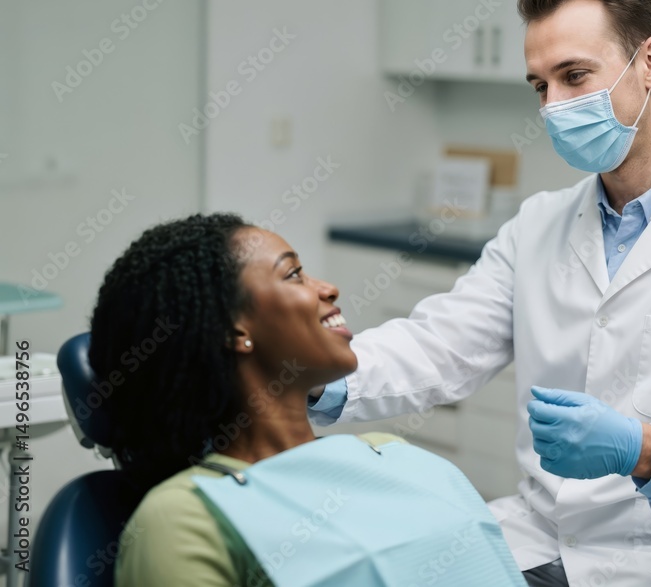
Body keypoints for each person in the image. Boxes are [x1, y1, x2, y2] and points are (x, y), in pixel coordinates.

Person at [308, 0, 651, 586]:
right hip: (537, 536)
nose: (554, 106)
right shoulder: (538, 226)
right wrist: (315, 378)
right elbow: (438, 346)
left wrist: (642, 449)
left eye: (574, 76)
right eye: (540, 86)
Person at [89, 213, 526, 587]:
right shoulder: (185, 517)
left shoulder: (390, 454)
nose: (329, 289)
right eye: (293, 274)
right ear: (233, 330)